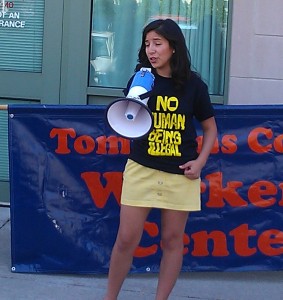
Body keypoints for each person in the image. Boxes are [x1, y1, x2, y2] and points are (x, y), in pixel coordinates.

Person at [104, 18, 217, 300]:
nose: (152, 50)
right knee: (126, 239)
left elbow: (210, 127)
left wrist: (201, 162)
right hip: (141, 169)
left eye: (158, 44)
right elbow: (128, 117)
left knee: (171, 240)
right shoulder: (141, 80)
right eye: (147, 44)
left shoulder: (194, 86)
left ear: (174, 47)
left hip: (180, 174)